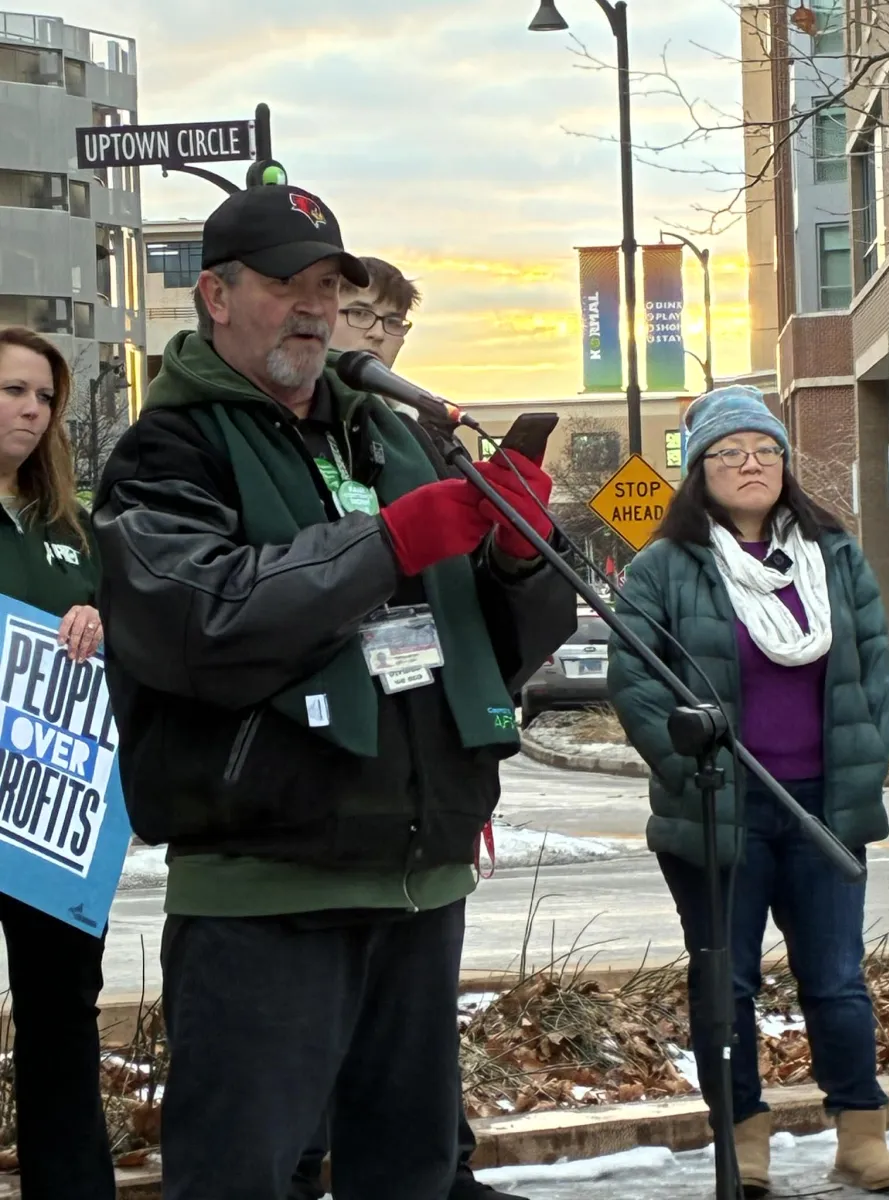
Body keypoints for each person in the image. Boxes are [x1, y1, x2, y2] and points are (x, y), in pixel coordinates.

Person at [92, 184, 575, 1200]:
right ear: (216, 296)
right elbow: (199, 623)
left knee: (409, 1177)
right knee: (242, 1180)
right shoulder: (164, 453)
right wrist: (386, 543)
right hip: (269, 890)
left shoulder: (397, 438)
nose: (313, 307)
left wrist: (526, 562)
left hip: (418, 880)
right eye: (287, 284)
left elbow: (494, 645)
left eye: (329, 284)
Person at [607, 384, 889, 1197]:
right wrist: (688, 770)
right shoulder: (665, 567)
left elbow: (877, 673)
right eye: (730, 452)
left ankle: (859, 1135)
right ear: (700, 469)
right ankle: (745, 1142)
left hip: (823, 809)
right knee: (726, 983)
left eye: (765, 451)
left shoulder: (832, 555)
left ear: (784, 464)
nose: (751, 464)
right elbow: (633, 680)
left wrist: (869, 755)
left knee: (837, 979)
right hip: (719, 809)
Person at [286, 255, 527, 1200]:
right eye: (358, 314)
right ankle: (303, 1161)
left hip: (429, 743)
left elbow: (477, 610)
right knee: (319, 997)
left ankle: (440, 1160)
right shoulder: (291, 430)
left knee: (414, 996)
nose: (377, 338)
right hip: (325, 756)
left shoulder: (420, 433)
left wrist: (512, 545)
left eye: (393, 325)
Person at [0, 327, 111, 1199]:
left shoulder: (72, 526)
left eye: (43, 396)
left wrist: (102, 622)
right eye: (12, 391)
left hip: (53, 816)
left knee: (62, 1016)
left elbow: (133, 625)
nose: (32, 411)